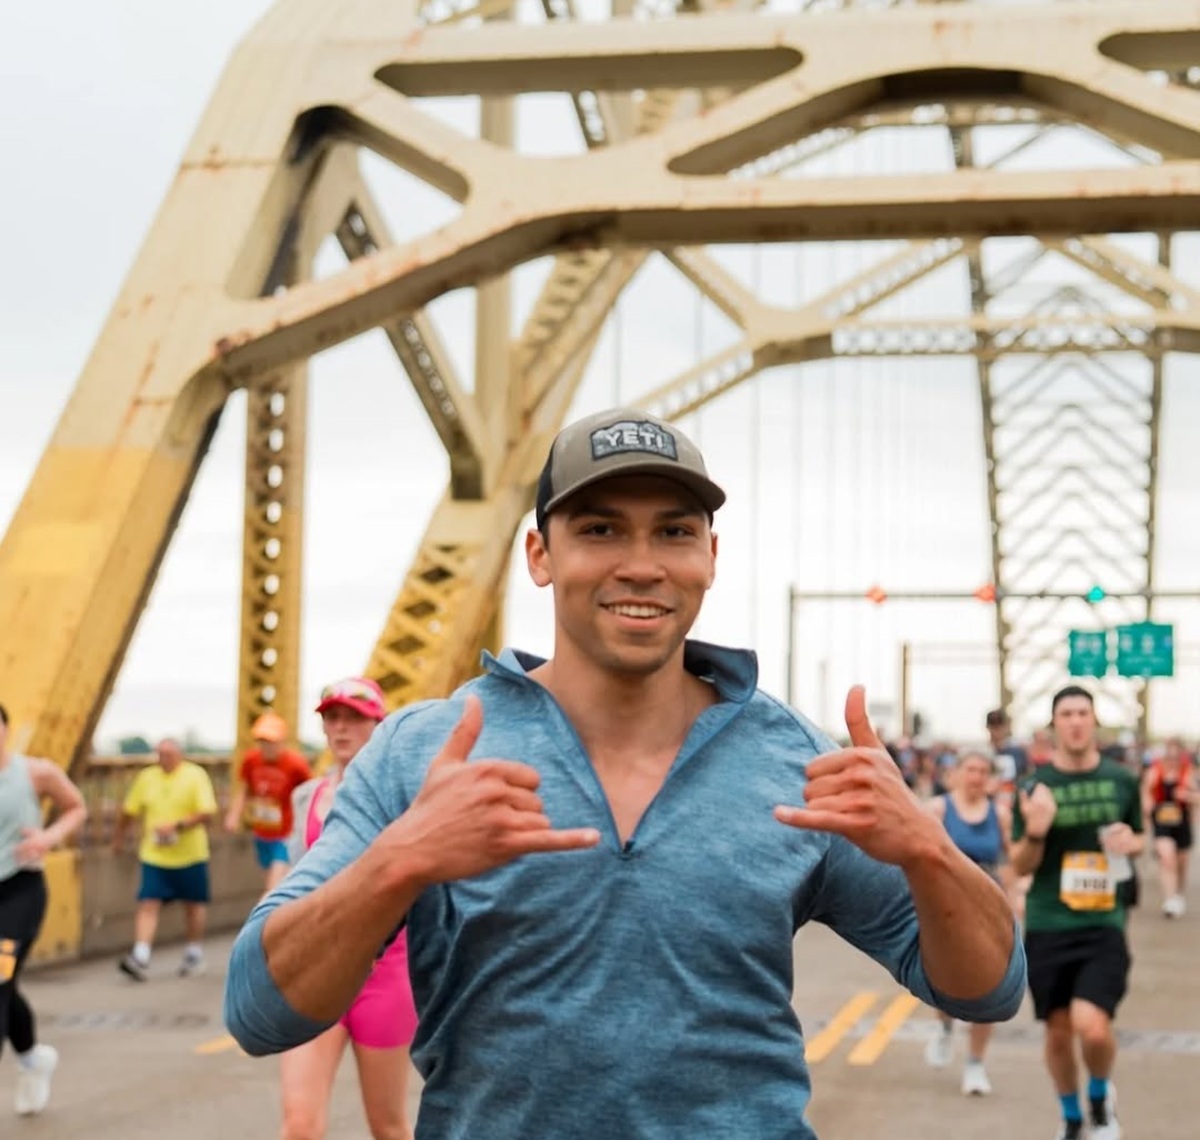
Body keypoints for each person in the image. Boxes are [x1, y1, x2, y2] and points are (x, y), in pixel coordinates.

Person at [224, 406, 1026, 1140]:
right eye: (601, 529)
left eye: (674, 533)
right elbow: (259, 1013)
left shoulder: (797, 758)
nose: (642, 565)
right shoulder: (422, 754)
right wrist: (398, 861)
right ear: (540, 555)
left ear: (710, 556)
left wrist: (927, 849)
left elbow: (986, 991)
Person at [279, 676, 416, 1140]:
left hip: (385, 975)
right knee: (300, 1126)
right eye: (332, 718)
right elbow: (291, 881)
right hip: (317, 972)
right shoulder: (306, 799)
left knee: (389, 1128)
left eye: (354, 718)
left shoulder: (407, 800)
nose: (341, 729)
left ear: (379, 724)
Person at [1011, 685, 1144, 1140]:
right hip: (1048, 921)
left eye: (1083, 713)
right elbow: (1019, 863)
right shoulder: (1033, 787)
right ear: (1054, 726)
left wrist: (1133, 841)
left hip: (1103, 922)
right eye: (1066, 713)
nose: (1075, 721)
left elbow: (1140, 836)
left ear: (1094, 721)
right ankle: (1070, 1117)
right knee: (1057, 1033)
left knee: (1093, 1029)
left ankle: (1101, 1097)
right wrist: (1035, 832)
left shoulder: (1121, 780)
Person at [0, 702, 87, 1117]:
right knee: (4, 986)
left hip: (21, 889)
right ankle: (33, 1059)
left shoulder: (35, 772)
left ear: (6, 730)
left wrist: (47, 837)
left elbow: (76, 807)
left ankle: (31, 1060)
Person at [922, 750, 1014, 1095]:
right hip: (945, 907)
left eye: (982, 771)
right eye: (970, 769)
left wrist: (1014, 898)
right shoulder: (938, 809)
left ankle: (975, 1063)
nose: (975, 776)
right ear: (956, 774)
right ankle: (945, 1028)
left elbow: (1009, 860)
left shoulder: (999, 813)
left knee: (991, 986)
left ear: (989, 777)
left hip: (989, 906)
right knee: (944, 982)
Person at [112, 738, 218, 981]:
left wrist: (177, 826)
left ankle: (193, 951)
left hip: (190, 853)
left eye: (168, 754)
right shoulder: (147, 777)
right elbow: (130, 810)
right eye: (160, 754)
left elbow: (207, 812)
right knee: (148, 902)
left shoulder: (195, 776)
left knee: (193, 904)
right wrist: (119, 838)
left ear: (179, 754)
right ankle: (141, 954)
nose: (164, 759)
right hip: (155, 854)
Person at [225, 712, 313, 892]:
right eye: (262, 741)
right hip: (262, 833)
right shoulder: (251, 760)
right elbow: (244, 790)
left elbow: (311, 794)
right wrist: (234, 815)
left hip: (287, 835)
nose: (266, 746)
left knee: (272, 887)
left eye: (271, 741)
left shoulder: (296, 765)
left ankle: (264, 919)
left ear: (281, 741)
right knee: (272, 884)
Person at [1142, 737, 1194, 918]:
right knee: (1167, 858)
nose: (1172, 759)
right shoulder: (1155, 771)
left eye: (1175, 756)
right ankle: (1170, 898)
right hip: (1161, 821)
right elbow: (1146, 792)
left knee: (1181, 862)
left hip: (1182, 822)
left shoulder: (1189, 772)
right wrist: (1147, 807)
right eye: (1169, 755)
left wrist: (1188, 795)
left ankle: (1178, 892)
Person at [986, 707, 1030, 802]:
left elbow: (1026, 775)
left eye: (1000, 724)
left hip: (1013, 800)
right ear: (988, 727)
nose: (997, 729)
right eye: (993, 725)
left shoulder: (1018, 752)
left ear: (1006, 726)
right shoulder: (983, 753)